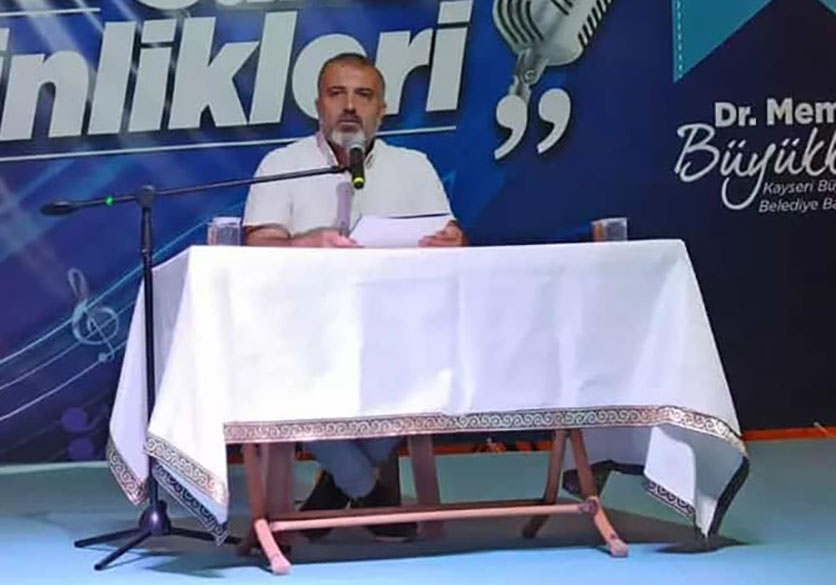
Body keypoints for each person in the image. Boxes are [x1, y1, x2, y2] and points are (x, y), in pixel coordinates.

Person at [242, 53, 466, 541]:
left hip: (395, 326)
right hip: (302, 330)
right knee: (279, 371)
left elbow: (450, 237)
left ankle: (341, 483)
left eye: (363, 96)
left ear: (381, 110)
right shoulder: (282, 165)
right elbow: (257, 246)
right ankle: (366, 488)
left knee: (436, 361)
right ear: (318, 105)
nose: (349, 106)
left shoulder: (413, 166)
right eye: (336, 94)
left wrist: (450, 241)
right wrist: (307, 243)